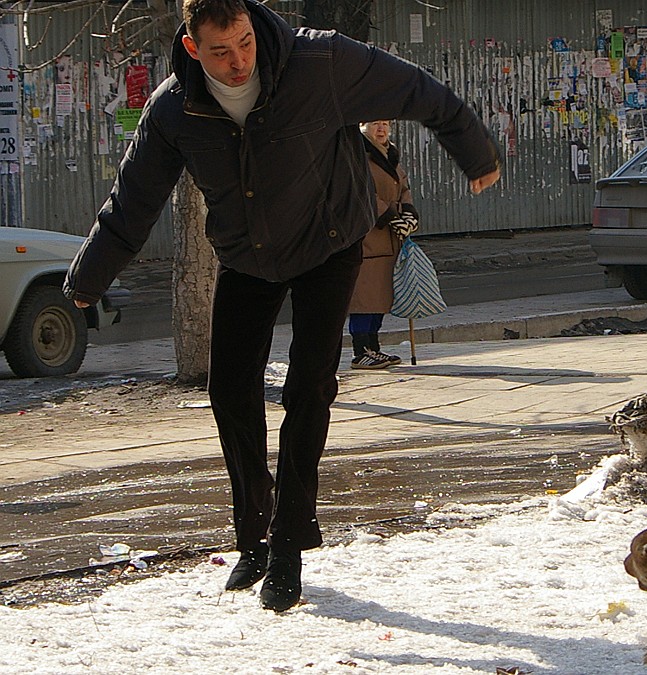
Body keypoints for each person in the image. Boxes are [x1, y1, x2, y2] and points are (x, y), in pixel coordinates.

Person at [63, 0, 500, 612]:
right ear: (193, 49)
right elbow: (132, 200)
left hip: (329, 242)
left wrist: (475, 152)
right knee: (230, 390)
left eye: (243, 42)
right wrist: (88, 278)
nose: (239, 61)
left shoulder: (318, 60)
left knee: (308, 387)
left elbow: (415, 89)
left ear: (251, 24)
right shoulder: (174, 108)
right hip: (248, 254)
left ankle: (290, 542)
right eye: (221, 51)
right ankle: (253, 537)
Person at [348, 120, 415, 369]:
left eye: (385, 124)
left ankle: (374, 348)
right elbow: (360, 191)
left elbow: (403, 187)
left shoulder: (391, 155)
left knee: (380, 296)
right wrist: (390, 215)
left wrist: (409, 213)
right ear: (362, 127)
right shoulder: (356, 154)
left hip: (389, 238)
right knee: (364, 296)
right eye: (375, 124)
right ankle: (361, 350)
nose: (381, 129)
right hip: (367, 236)